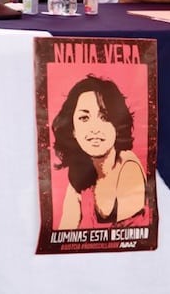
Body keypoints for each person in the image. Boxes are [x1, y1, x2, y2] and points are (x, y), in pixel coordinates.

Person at [51, 75, 147, 229]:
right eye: (84, 118)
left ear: (117, 124)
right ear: (73, 129)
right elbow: (65, 232)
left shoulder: (128, 165)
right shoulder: (79, 176)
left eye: (104, 117)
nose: (94, 128)